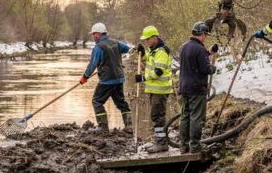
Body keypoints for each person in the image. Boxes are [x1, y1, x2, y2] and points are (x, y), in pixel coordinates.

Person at [80, 22, 132, 131]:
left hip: (107, 81)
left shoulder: (98, 47)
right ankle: (129, 126)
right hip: (119, 79)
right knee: (121, 103)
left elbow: (92, 65)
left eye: (94, 34)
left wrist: (85, 77)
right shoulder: (116, 43)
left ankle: (103, 126)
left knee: (97, 102)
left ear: (99, 33)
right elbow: (128, 49)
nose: (93, 36)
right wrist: (116, 61)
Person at [178, 22, 218, 153]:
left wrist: (208, 53)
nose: (205, 37)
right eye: (205, 35)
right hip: (196, 88)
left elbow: (193, 60)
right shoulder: (200, 49)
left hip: (184, 87)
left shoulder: (184, 47)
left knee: (185, 116)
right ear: (202, 34)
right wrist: (213, 68)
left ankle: (183, 146)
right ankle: (195, 146)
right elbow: (205, 69)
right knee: (196, 117)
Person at [134, 25, 173, 153]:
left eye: (147, 39)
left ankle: (161, 143)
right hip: (155, 90)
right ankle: (159, 140)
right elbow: (150, 62)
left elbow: (158, 71)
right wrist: (143, 54)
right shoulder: (154, 50)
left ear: (154, 37)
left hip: (160, 90)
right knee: (156, 116)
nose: (146, 42)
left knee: (158, 116)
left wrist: (143, 78)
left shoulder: (161, 52)